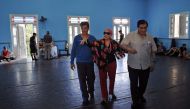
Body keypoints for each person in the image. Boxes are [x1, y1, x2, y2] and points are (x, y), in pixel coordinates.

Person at [120, 20, 157, 109]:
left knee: (144, 84)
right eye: (141, 28)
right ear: (138, 27)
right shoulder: (131, 35)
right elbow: (122, 44)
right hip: (133, 65)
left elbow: (154, 50)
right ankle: (135, 101)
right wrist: (130, 49)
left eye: (145, 28)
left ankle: (140, 95)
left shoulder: (150, 37)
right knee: (133, 84)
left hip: (146, 65)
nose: (143, 30)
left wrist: (152, 62)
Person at [85, 28, 125, 105]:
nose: (106, 34)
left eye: (108, 33)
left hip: (112, 63)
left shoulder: (114, 43)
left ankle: (111, 92)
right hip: (102, 64)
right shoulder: (99, 42)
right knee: (102, 80)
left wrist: (122, 38)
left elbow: (119, 47)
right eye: (104, 33)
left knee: (112, 78)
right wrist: (86, 41)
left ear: (111, 34)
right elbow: (91, 45)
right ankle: (104, 97)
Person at [70, 22, 96, 106]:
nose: (84, 30)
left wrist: (87, 42)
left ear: (88, 28)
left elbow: (96, 49)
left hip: (90, 62)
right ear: (81, 28)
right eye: (82, 28)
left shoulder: (92, 38)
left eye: (85, 28)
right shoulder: (77, 38)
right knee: (82, 80)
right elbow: (73, 50)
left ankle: (91, 91)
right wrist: (71, 62)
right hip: (80, 62)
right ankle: (85, 97)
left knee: (91, 79)